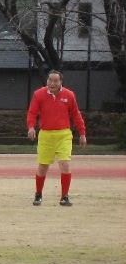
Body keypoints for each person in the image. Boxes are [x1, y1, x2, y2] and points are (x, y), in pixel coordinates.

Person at [26, 70, 87, 206]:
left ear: (61, 82)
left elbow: (76, 115)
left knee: (65, 163)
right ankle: (38, 194)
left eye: (55, 81)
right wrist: (31, 127)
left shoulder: (69, 95)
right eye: (50, 80)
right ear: (47, 81)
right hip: (46, 135)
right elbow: (32, 112)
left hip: (64, 134)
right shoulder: (38, 94)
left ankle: (64, 196)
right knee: (43, 166)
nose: (52, 83)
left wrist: (82, 133)